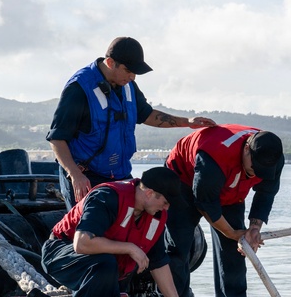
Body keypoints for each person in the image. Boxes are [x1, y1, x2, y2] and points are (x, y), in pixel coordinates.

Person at [10, 167, 212, 297]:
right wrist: (130, 248)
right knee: (105, 263)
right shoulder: (108, 197)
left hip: (102, 268)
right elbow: (82, 243)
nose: (167, 207)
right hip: (61, 253)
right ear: (150, 192)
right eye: (166, 201)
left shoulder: (155, 217)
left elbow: (159, 263)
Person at [47, 36, 216, 209]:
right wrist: (75, 175)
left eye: (135, 72)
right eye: (129, 70)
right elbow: (57, 139)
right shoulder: (79, 89)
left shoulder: (127, 85)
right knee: (87, 231)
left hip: (119, 175)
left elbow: (147, 114)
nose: (133, 77)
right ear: (111, 62)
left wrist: (187, 122)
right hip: (86, 178)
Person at [155, 125, 285, 297]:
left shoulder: (273, 157)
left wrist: (253, 228)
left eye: (263, 171)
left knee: (237, 250)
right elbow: (204, 202)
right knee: (178, 249)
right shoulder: (214, 155)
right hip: (183, 182)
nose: (256, 174)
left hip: (230, 191)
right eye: (255, 168)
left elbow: (266, 194)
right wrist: (230, 231)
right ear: (246, 150)